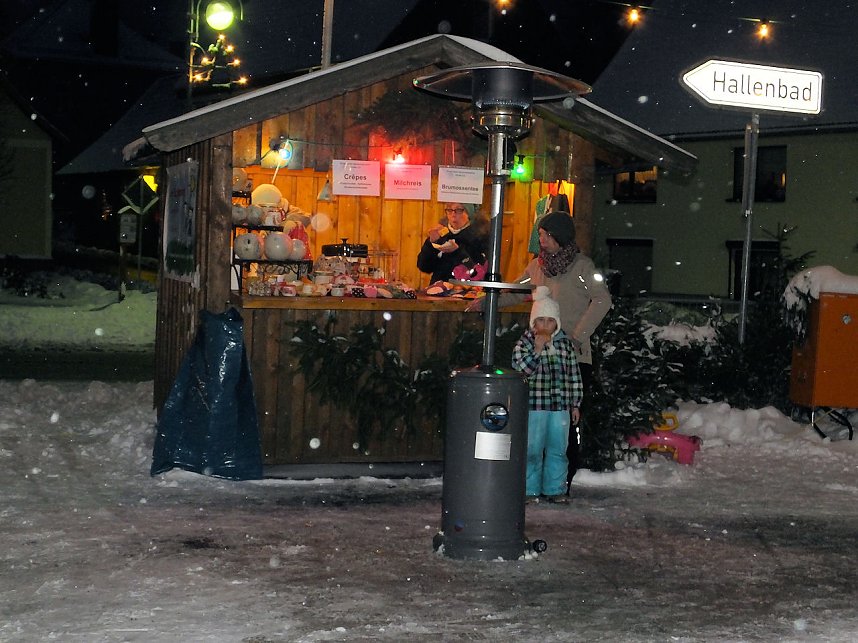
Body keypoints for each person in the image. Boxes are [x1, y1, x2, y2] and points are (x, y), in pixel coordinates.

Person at [468, 209, 611, 485]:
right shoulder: (536, 267)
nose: (541, 240)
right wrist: (487, 302)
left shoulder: (584, 267)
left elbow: (602, 300)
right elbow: (517, 292)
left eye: (545, 235)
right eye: (540, 234)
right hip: (539, 357)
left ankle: (560, 482)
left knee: (565, 427)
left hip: (573, 357)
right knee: (536, 425)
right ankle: (533, 482)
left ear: (559, 237)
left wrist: (578, 336)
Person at [512, 286, 583, 503]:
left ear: (557, 323)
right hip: (535, 406)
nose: (545, 325)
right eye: (540, 320)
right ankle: (529, 489)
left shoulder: (564, 346)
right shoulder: (524, 344)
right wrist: (537, 350)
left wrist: (575, 404)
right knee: (532, 449)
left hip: (559, 407)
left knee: (557, 450)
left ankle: (555, 489)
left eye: (550, 321)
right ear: (533, 322)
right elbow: (521, 370)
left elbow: (573, 375)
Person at [417, 202, 488, 284]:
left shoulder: (480, 236)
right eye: (449, 209)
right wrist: (431, 244)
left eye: (458, 210)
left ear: (469, 213)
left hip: (468, 291)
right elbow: (424, 267)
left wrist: (457, 252)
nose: (453, 214)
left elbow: (478, 272)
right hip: (440, 290)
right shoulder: (441, 233)